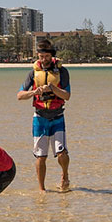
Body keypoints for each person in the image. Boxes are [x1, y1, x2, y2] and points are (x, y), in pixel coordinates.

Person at [16, 40, 71, 192]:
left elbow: (67, 96)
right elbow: (19, 95)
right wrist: (34, 92)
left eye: (46, 56)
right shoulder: (33, 73)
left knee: (62, 153)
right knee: (41, 156)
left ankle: (65, 176)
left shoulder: (62, 72)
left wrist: (53, 88)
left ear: (52, 56)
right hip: (39, 119)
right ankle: (42, 190)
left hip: (58, 117)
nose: (43, 59)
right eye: (41, 56)